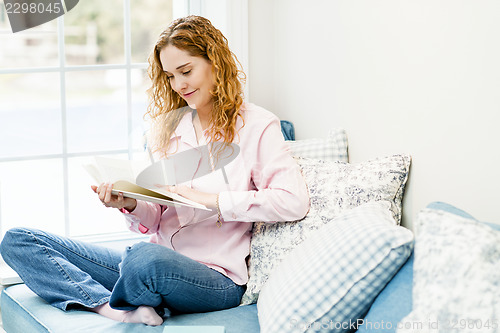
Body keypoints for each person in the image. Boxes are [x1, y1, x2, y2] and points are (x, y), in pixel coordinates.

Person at [0, 15, 309, 326]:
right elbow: (156, 217)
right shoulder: (169, 130)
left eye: (186, 71)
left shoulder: (257, 125)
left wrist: (212, 201)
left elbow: (292, 200)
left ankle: (134, 292)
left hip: (215, 279)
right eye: (171, 76)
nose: (179, 85)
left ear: (215, 62)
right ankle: (108, 306)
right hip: (154, 259)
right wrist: (131, 204)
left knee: (141, 260)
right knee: (19, 240)